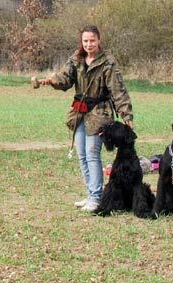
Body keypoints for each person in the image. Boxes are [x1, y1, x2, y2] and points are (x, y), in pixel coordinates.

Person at [35, 25, 134, 212]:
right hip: (80, 111)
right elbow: (65, 78)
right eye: (85, 41)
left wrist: (126, 114)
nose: (89, 44)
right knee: (82, 155)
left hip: (100, 112)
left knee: (92, 154)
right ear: (82, 42)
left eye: (92, 40)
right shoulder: (77, 58)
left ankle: (96, 198)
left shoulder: (108, 62)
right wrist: (52, 80)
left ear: (99, 40)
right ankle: (91, 194)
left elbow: (118, 90)